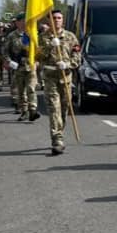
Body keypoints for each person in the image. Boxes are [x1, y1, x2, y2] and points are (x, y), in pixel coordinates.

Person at [38, 10, 81, 155]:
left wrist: (68, 64)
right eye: (54, 18)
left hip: (66, 79)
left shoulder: (70, 37)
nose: (56, 20)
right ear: (49, 21)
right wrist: (50, 45)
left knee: (63, 110)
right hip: (50, 78)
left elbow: (77, 57)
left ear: (62, 20)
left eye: (59, 18)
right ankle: (57, 140)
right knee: (54, 109)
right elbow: (39, 57)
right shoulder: (43, 37)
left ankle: (59, 134)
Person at [7, 13, 40, 120]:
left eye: (26, 21)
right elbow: (4, 51)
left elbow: (39, 49)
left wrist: (38, 60)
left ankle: (33, 110)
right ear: (17, 22)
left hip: (31, 66)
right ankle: (24, 111)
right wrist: (9, 61)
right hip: (19, 67)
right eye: (21, 21)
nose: (24, 23)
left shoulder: (33, 34)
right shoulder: (12, 36)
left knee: (31, 88)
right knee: (21, 91)